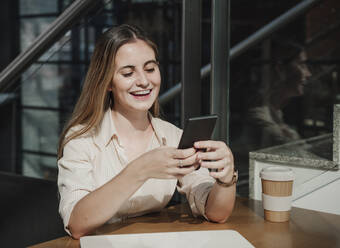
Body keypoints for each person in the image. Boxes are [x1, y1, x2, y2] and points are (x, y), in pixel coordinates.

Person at [57, 24, 236, 239]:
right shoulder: (82, 140)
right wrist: (140, 170)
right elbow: (77, 223)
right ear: (108, 83)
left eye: (150, 69)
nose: (144, 81)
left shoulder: (172, 136)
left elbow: (216, 213)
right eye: (128, 73)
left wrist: (225, 180)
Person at [247, 39, 312, 148]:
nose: (308, 73)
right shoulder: (258, 114)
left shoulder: (276, 111)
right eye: (301, 65)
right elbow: (298, 154)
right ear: (280, 69)